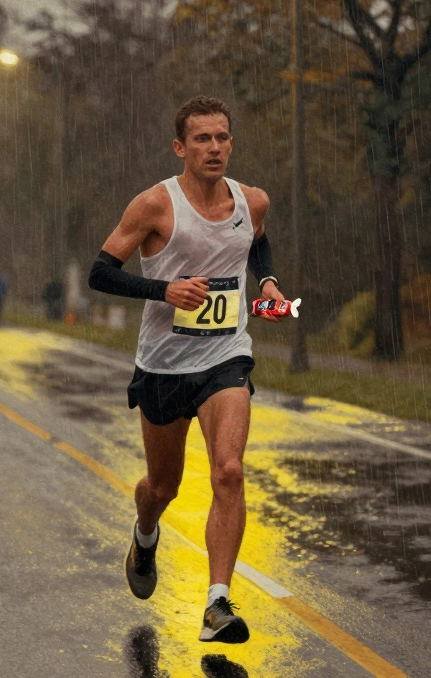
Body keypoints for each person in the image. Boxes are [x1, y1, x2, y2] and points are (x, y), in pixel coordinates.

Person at [88, 95, 286, 644]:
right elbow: (100, 273)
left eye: (222, 138)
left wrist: (266, 282)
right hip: (163, 365)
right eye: (202, 139)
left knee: (229, 471)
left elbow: (259, 247)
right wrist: (163, 290)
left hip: (225, 356)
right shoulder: (155, 205)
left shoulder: (253, 201)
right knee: (163, 485)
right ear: (181, 147)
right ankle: (145, 532)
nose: (214, 148)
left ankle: (217, 604)